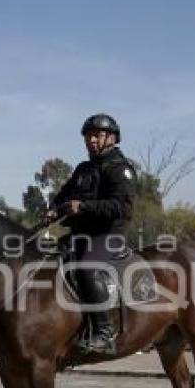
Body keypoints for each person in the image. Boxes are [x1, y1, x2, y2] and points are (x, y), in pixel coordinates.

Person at [47, 114, 137, 355]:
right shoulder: (83, 169)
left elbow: (122, 207)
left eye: (97, 135)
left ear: (112, 138)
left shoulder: (121, 169)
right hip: (80, 233)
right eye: (88, 136)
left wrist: (84, 207)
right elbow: (64, 195)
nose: (91, 140)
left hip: (108, 235)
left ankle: (104, 332)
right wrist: (53, 209)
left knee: (87, 266)